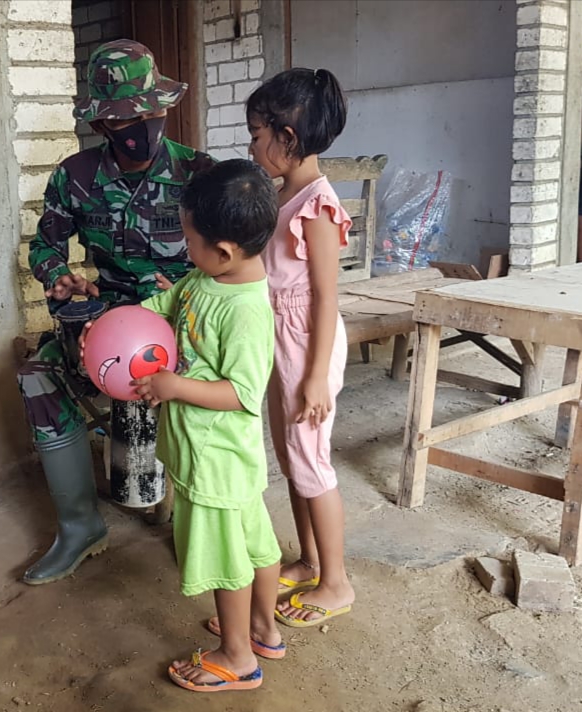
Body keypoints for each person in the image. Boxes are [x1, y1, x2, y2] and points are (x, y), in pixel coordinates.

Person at [18, 39, 216, 585]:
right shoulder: (76, 176)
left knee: (205, 394)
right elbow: (45, 245)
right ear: (103, 124)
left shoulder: (200, 175)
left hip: (187, 324)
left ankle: (199, 523)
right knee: (38, 375)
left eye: (150, 112)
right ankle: (79, 527)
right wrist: (55, 273)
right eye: (126, 117)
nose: (142, 124)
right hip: (105, 321)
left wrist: (183, 287)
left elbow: (236, 260)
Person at [133, 159, 282, 692]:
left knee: (227, 559)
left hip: (215, 459)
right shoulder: (207, 278)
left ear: (224, 251)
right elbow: (169, 303)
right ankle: (263, 628)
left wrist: (174, 386)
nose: (184, 248)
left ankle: (237, 656)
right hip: (218, 458)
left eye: (189, 239)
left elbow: (243, 392)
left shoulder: (245, 311)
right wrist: (125, 326)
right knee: (257, 545)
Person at [238, 67, 356, 628]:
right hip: (279, 338)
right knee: (291, 457)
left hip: (308, 341)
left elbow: (326, 300)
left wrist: (313, 376)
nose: (252, 143)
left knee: (311, 459)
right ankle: (310, 560)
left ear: (287, 138)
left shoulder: (319, 204)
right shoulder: (285, 193)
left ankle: (336, 582)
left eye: (257, 132)